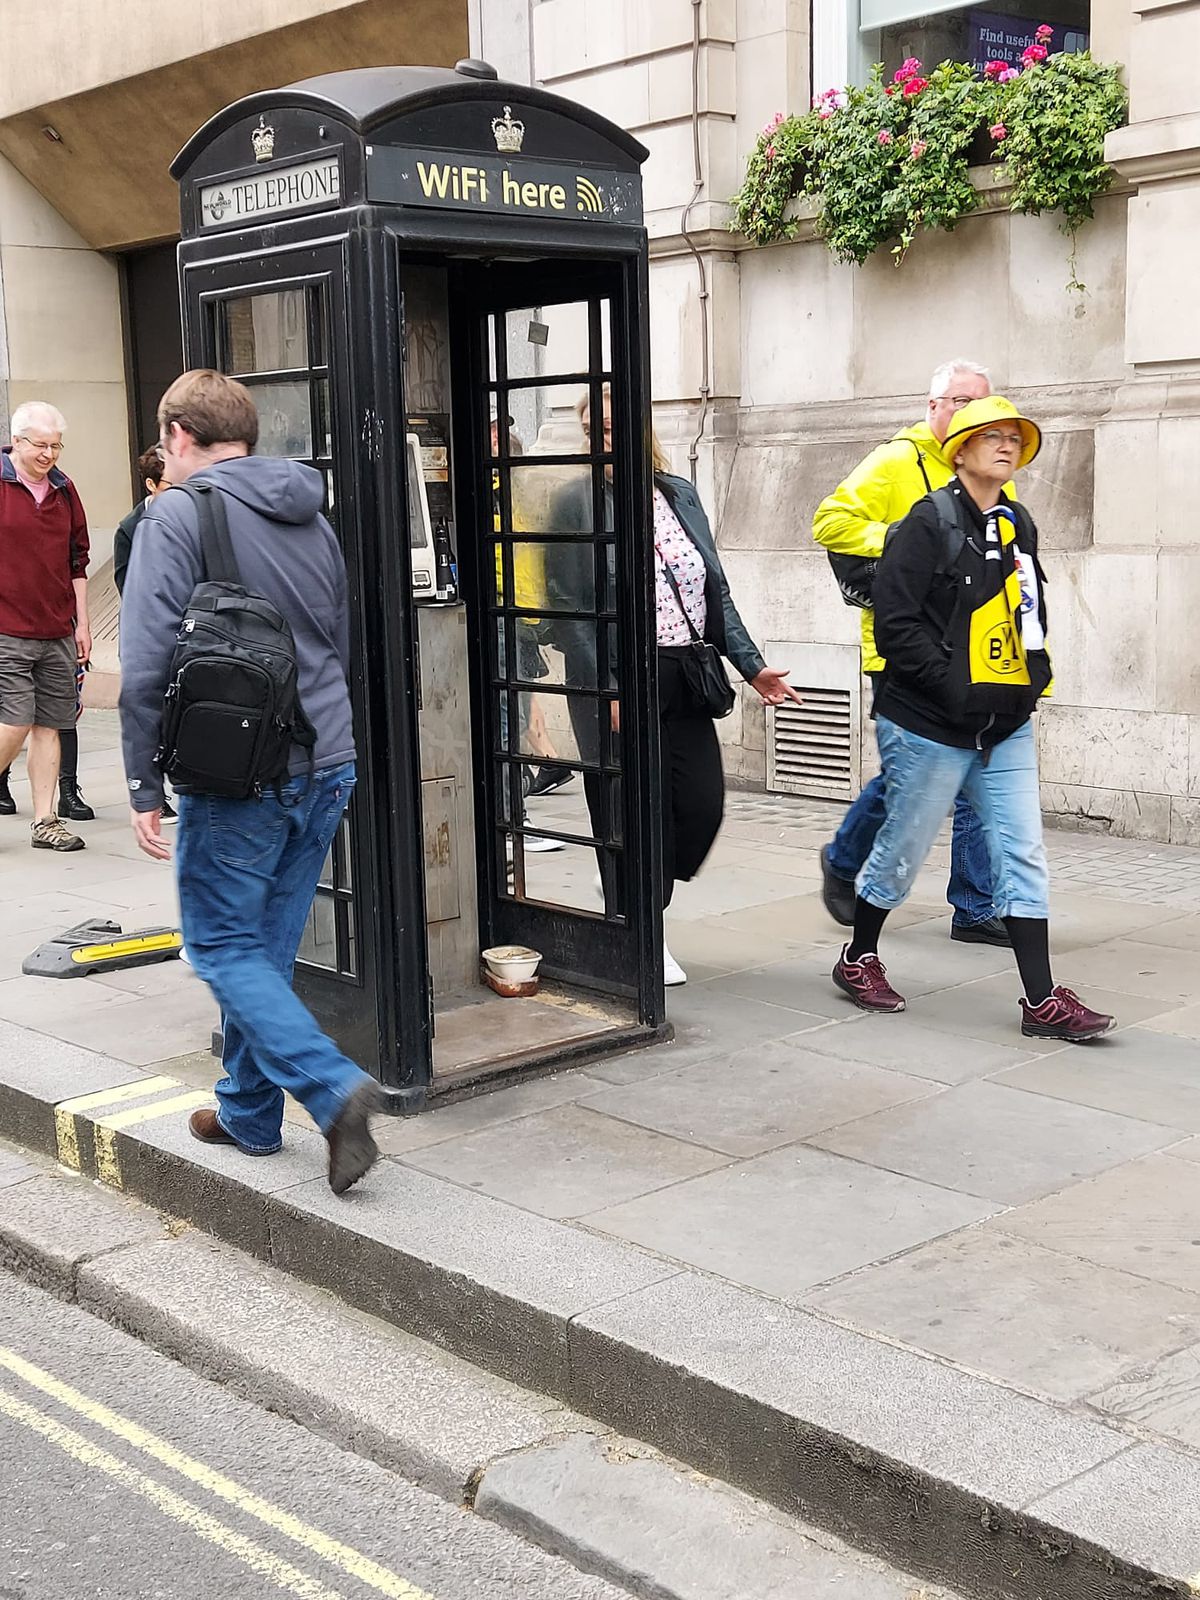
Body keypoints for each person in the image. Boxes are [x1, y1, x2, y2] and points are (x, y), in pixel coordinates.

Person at [119, 369, 382, 1193]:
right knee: (262, 946)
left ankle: (331, 1088)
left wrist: (142, 784)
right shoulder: (311, 514)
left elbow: (145, 666)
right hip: (327, 759)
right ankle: (247, 1112)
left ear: (177, 436)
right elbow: (337, 639)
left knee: (220, 944)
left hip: (241, 773)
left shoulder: (175, 514)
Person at [832, 396, 1115, 1042]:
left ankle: (1042, 1001)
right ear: (959, 452)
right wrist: (951, 689)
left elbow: (1030, 611)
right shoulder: (924, 522)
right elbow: (897, 624)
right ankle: (858, 957)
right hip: (926, 723)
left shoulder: (1017, 522)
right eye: (991, 436)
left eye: (1014, 437)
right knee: (903, 851)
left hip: (1003, 722)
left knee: (1021, 852)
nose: (1006, 445)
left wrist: (1033, 679)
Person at [554, 388, 800, 985]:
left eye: (612, 425)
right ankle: (641, 927)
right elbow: (570, 607)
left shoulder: (678, 494)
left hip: (684, 672)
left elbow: (715, 591)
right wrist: (607, 689)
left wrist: (751, 665)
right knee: (630, 811)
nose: (603, 437)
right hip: (618, 675)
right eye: (593, 430)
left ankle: (634, 890)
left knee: (699, 806)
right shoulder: (575, 502)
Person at [813, 359, 1010, 946]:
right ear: (933, 407)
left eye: (981, 404)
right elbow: (829, 521)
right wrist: (905, 540)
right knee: (913, 777)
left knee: (981, 769)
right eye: (960, 402)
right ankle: (844, 859)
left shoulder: (991, 466)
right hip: (905, 649)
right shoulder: (898, 459)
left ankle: (974, 906)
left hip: (978, 650)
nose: (972, 414)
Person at [0, 402, 90, 851]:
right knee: (15, 722)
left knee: (50, 726)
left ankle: (45, 821)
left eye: (56, 446)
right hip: (6, 628)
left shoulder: (64, 489)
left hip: (56, 629)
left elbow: (78, 561)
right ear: (16, 441)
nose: (49, 454)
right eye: (40, 445)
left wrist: (82, 624)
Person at [112, 443, 176, 821]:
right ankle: (155, 792)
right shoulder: (130, 528)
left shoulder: (191, 517)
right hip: (148, 634)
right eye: (170, 484)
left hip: (189, 632)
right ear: (151, 485)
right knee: (152, 716)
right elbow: (127, 586)